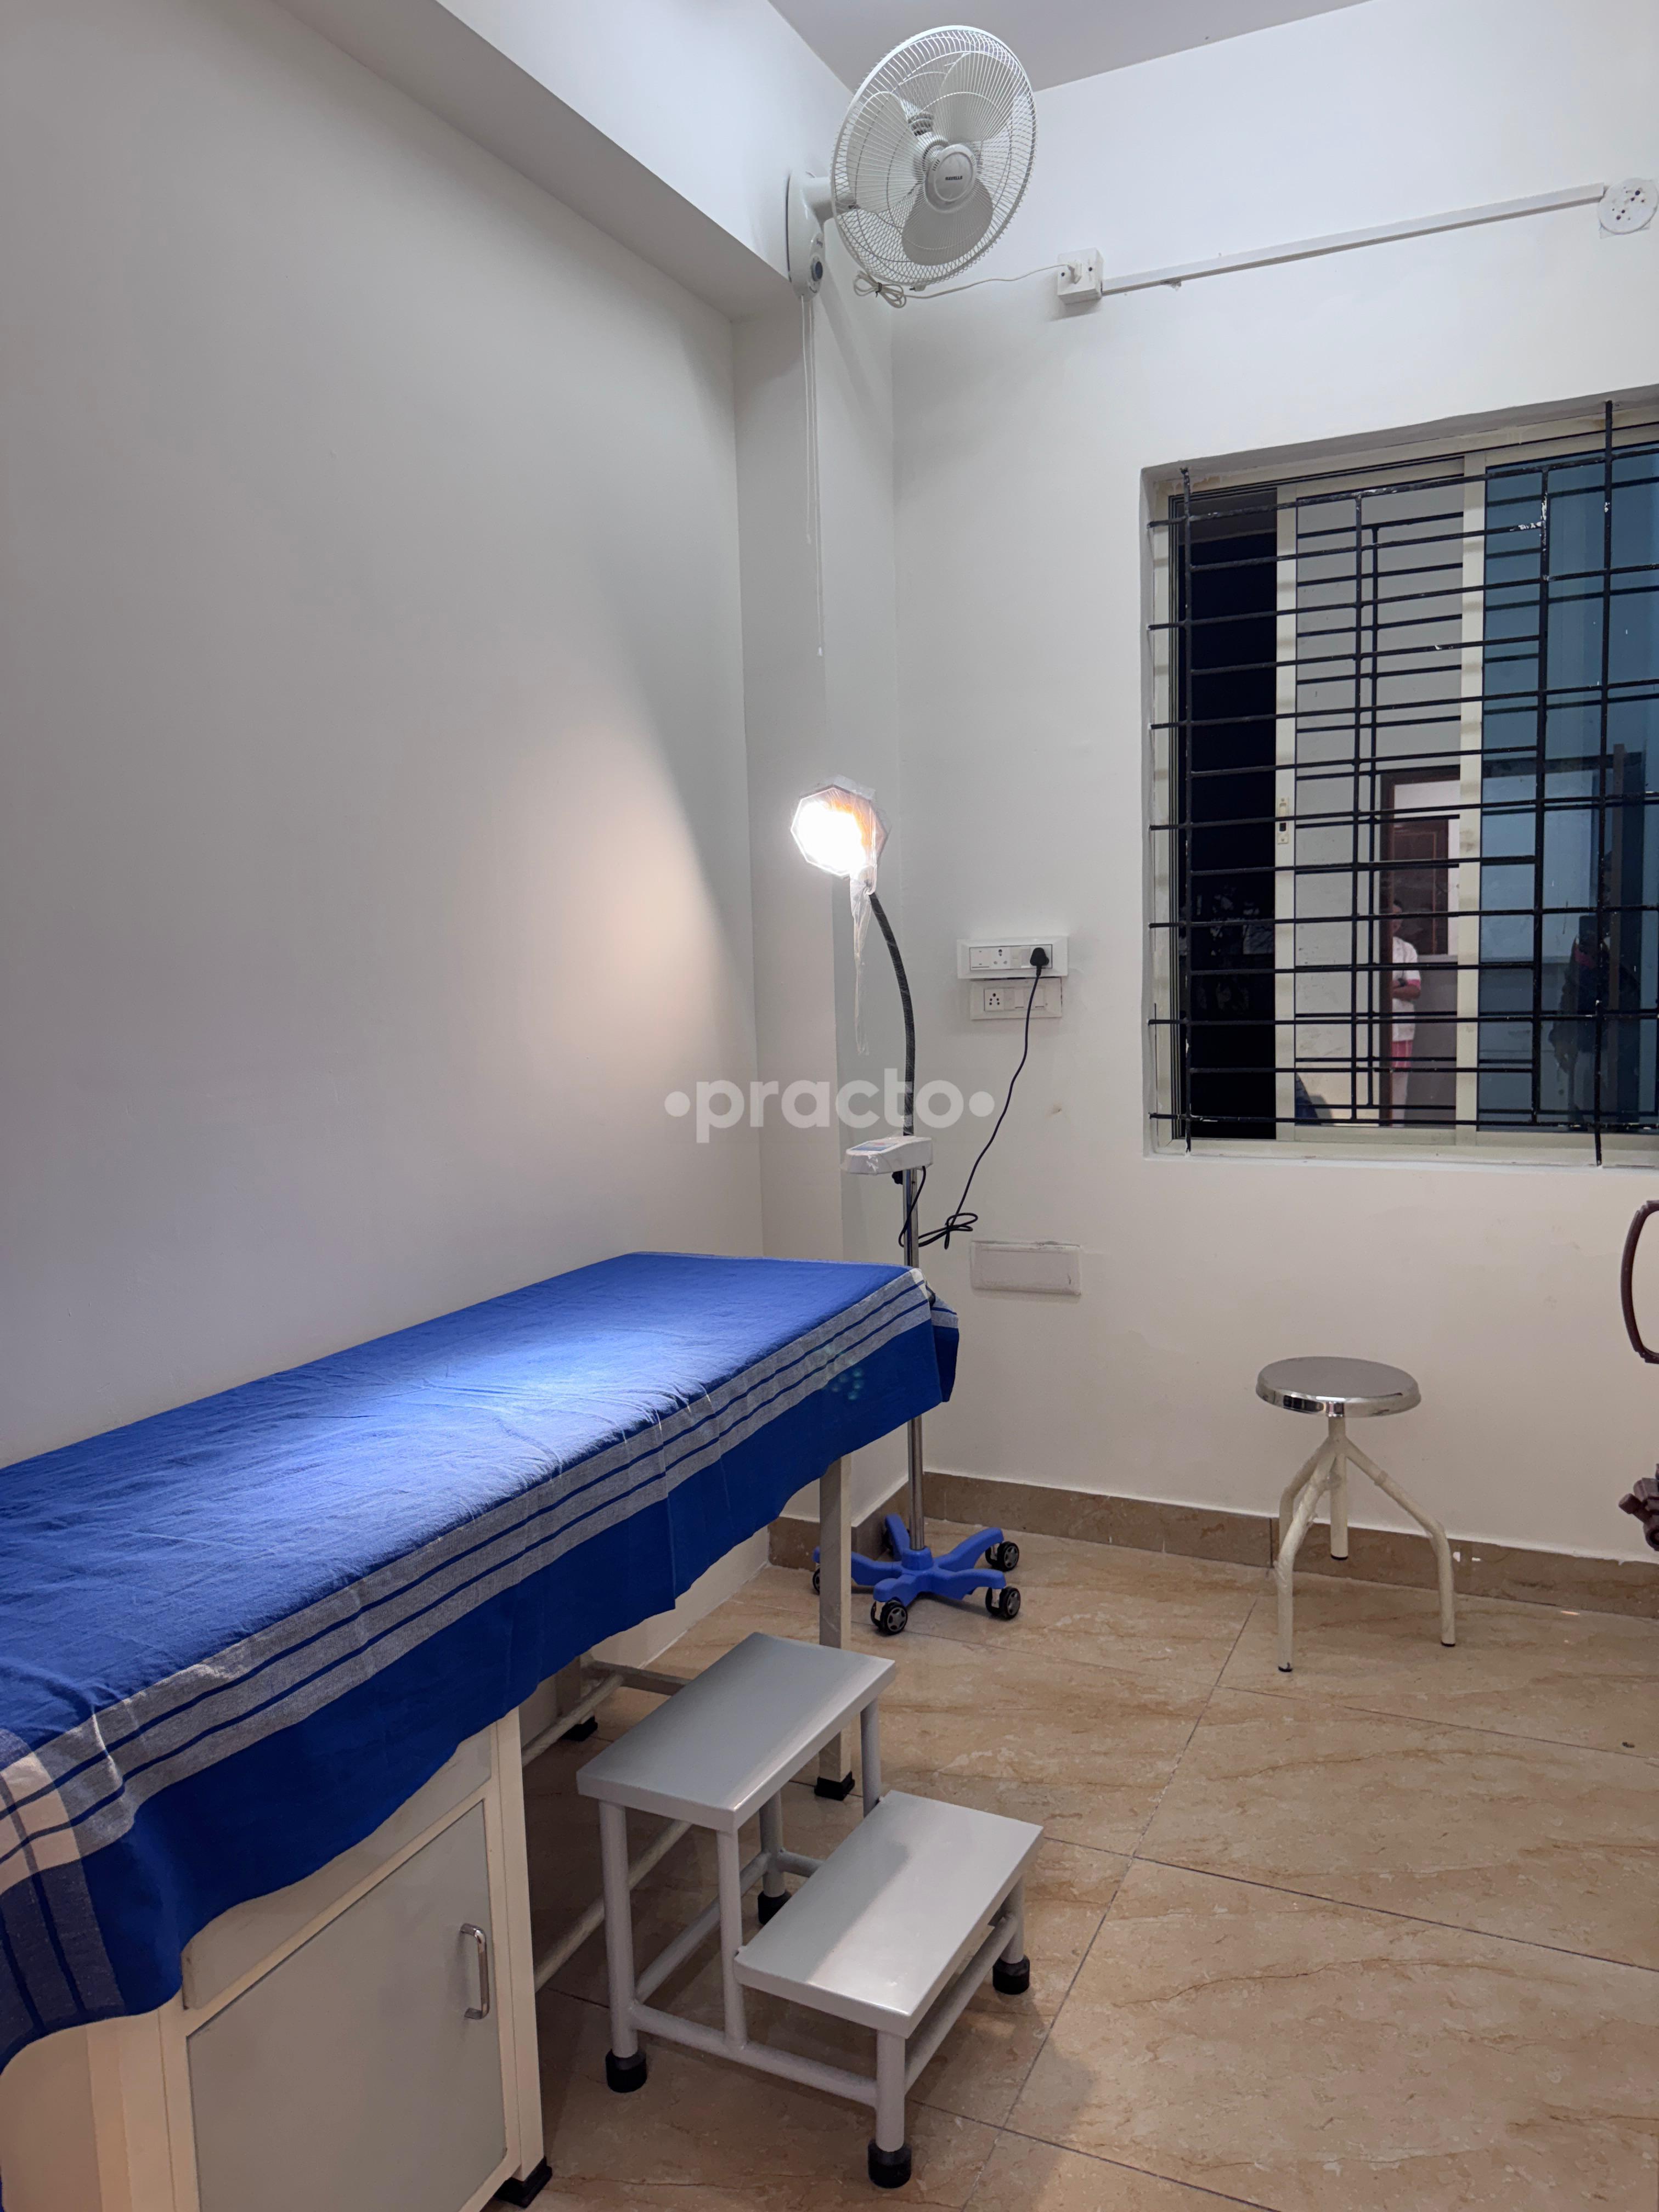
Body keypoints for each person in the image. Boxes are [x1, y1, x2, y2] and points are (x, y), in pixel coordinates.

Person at [1387, 902, 1421, 1115]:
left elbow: (1415, 990)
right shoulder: (1365, 947)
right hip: (1371, 1030)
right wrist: (1400, 982)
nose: (1396, 922)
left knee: (1398, 1090)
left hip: (1400, 1031)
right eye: (1391, 916)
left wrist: (1392, 987)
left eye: (1399, 916)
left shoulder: (1406, 950)